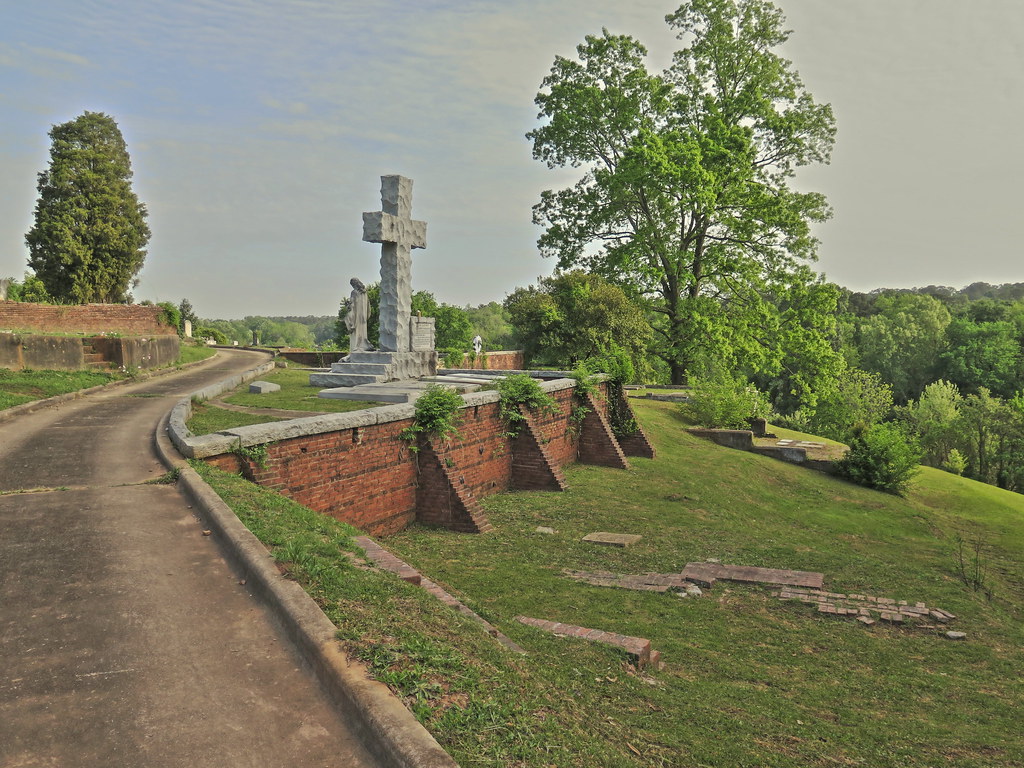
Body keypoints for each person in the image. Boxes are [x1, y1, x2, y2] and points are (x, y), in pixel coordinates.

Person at [345, 278, 373, 352]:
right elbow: (368, 305)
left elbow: (352, 304)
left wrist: (347, 305)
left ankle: (358, 345)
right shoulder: (364, 292)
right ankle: (363, 344)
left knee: (357, 332)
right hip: (363, 315)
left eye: (352, 284)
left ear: (354, 284)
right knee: (363, 331)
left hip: (357, 315)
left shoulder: (354, 292)